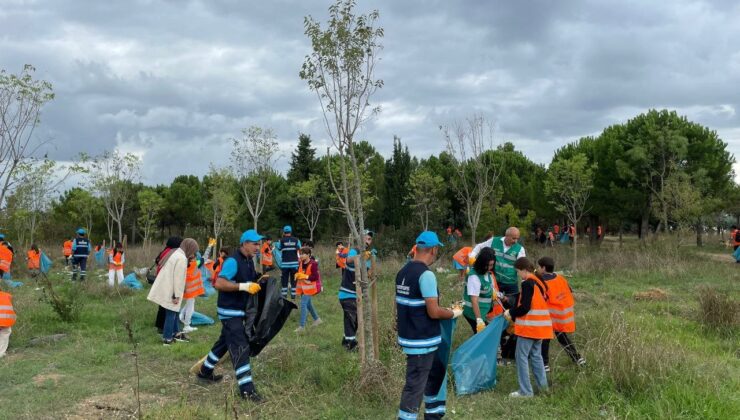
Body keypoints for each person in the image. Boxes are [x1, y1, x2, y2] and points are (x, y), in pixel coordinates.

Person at [396, 231, 462, 419]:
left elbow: (401, 307)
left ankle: (434, 414)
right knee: (415, 386)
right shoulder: (426, 275)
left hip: (411, 337)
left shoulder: (403, 272)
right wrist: (452, 313)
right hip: (422, 341)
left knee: (433, 378)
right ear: (433, 249)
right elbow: (433, 311)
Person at [196, 229, 265, 402]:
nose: (258, 246)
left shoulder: (249, 260)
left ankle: (205, 372)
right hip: (230, 311)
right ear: (244, 243)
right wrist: (243, 287)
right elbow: (219, 283)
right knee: (240, 346)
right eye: (255, 243)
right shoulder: (233, 261)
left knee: (224, 343)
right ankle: (247, 391)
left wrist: (258, 280)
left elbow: (247, 279)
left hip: (238, 310)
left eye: (259, 243)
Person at [504, 257, 552, 398]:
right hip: (540, 328)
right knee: (536, 357)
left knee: (521, 357)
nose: (518, 275)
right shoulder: (538, 282)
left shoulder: (527, 283)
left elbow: (525, 307)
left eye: (518, 271)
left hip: (529, 328)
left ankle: (525, 392)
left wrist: (510, 312)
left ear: (524, 270)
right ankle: (543, 389)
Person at [537, 257, 585, 371]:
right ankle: (577, 358)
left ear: (543, 268)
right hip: (561, 315)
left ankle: (545, 364)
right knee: (563, 338)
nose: (537, 269)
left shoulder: (541, 281)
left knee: (545, 339)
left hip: (548, 316)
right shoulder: (560, 278)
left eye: (538, 267)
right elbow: (569, 291)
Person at [148, 238, 197, 345]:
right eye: (193, 251)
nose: (193, 254)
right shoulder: (181, 258)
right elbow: (178, 279)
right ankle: (167, 338)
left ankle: (176, 332)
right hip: (171, 289)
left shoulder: (176, 254)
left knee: (174, 312)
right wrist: (177, 295)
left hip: (168, 286)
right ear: (189, 248)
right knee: (171, 313)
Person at [462, 247, 502, 335]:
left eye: (491, 265)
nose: (489, 268)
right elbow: (474, 300)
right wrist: (479, 320)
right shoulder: (474, 277)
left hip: (484, 311)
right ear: (481, 263)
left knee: (483, 336)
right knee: (483, 336)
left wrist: (496, 294)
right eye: (487, 265)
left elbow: (489, 288)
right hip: (473, 313)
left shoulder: (487, 274)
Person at [295, 246, 322, 332]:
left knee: (303, 304)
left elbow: (315, 277)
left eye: (303, 254)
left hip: (310, 288)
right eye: (300, 254)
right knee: (308, 304)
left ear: (308, 255)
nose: (301, 256)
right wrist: (297, 275)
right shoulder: (301, 263)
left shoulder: (313, 264)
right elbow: (300, 272)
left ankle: (301, 326)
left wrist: (305, 276)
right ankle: (317, 320)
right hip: (303, 288)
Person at [180, 255, 206, 333]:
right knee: (190, 308)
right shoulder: (195, 263)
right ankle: (186, 325)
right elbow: (203, 258)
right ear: (193, 258)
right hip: (192, 291)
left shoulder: (183, 264)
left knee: (188, 305)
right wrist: (210, 246)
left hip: (187, 290)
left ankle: (181, 317)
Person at [275, 225, 301, 299]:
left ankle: (284, 295)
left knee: (285, 280)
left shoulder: (281, 240)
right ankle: (293, 295)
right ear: (291, 231)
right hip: (294, 264)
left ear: (284, 232)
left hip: (285, 265)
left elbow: (279, 248)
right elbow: (299, 248)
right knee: (294, 279)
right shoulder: (296, 240)